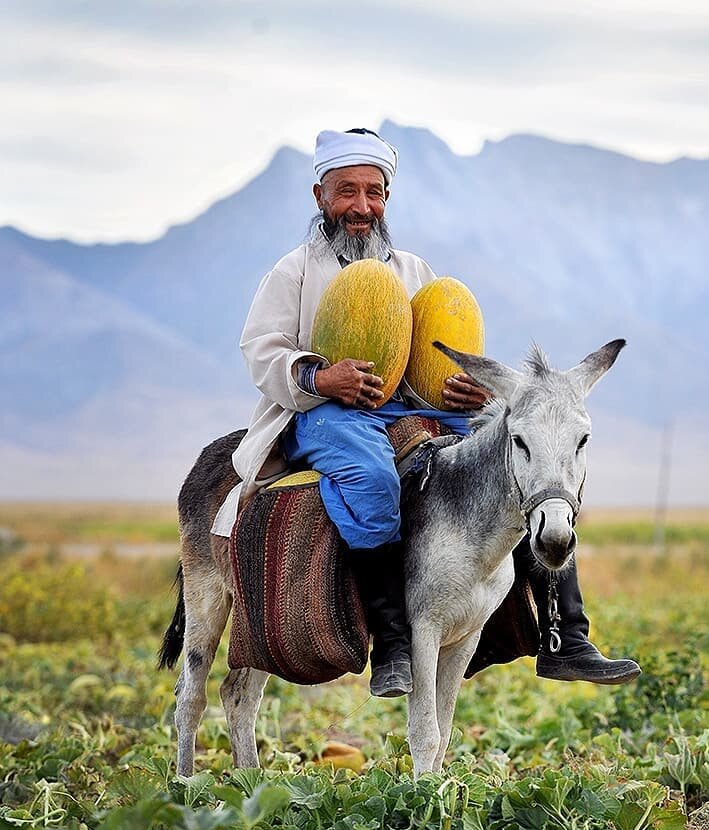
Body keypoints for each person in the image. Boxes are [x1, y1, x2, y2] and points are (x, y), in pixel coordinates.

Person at [212, 127, 640, 696]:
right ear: (320, 196)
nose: (361, 207)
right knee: (368, 474)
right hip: (323, 413)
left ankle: (566, 632)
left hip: (405, 411)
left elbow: (431, 361)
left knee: (513, 454)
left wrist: (462, 393)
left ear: (387, 198)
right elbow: (260, 348)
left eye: (373, 192)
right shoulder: (293, 272)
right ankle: (391, 640)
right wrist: (321, 374)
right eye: (347, 192)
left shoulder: (415, 272)